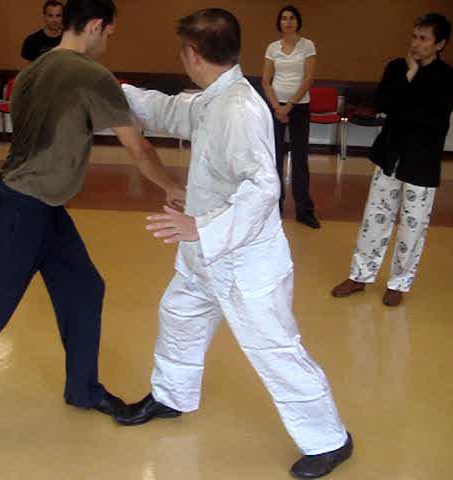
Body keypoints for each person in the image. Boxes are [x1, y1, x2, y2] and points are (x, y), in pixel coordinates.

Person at [0, 0, 184, 442]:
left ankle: (83, 389)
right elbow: (138, 149)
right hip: (25, 210)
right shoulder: (92, 75)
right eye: (110, 34)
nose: (108, 43)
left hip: (37, 206)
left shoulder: (31, 72)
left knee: (85, 288)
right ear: (96, 26)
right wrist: (172, 188)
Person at [117, 9, 352, 479]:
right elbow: (171, 111)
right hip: (204, 256)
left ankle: (329, 438)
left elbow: (264, 188)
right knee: (178, 317)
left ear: (193, 54)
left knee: (274, 348)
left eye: (182, 49)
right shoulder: (213, 98)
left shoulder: (241, 109)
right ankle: (171, 396)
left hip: (245, 262)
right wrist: (116, 91)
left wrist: (203, 229)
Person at [331, 13, 453, 307]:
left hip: (422, 163)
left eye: (424, 38)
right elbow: (384, 106)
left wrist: (404, 105)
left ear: (440, 44)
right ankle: (360, 275)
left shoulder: (450, 78)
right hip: (389, 156)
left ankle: (399, 282)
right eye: (414, 36)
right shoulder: (397, 68)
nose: (416, 43)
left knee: (412, 227)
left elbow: (433, 119)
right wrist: (410, 75)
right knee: (374, 221)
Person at [262, 5, 320, 229]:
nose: (288, 21)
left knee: (299, 160)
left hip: (299, 107)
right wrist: (278, 106)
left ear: (298, 22)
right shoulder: (272, 48)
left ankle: (304, 210)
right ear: (279, 23)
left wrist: (290, 106)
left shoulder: (308, 46)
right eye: (284, 18)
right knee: (274, 159)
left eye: (292, 18)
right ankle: (274, 207)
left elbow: (308, 79)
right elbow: (266, 81)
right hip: (276, 108)